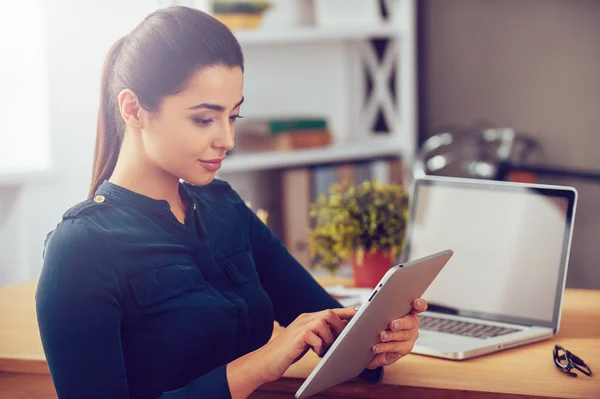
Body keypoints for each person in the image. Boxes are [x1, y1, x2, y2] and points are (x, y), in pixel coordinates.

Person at [35, 6, 427, 399]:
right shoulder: (81, 248)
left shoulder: (224, 207)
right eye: (205, 119)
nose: (227, 140)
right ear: (133, 109)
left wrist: (381, 342)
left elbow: (329, 326)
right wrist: (259, 365)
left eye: (233, 116)